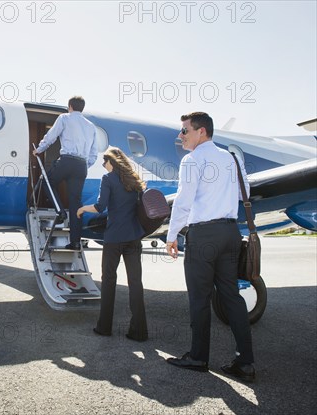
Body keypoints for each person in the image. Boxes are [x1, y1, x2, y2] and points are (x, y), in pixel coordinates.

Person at [165, 112, 255, 382]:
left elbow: (183, 201)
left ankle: (198, 357)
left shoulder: (192, 160)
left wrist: (171, 236)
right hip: (230, 232)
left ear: (201, 132)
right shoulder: (231, 158)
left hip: (203, 235)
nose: (180, 136)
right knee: (231, 297)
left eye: (184, 131)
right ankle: (246, 363)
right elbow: (245, 194)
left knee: (200, 298)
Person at [77, 147, 148, 341]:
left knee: (108, 282)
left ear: (111, 162)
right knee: (135, 283)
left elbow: (100, 206)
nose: (103, 166)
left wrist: (82, 208)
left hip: (114, 238)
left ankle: (104, 327)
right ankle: (139, 331)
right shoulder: (134, 181)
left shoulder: (108, 179)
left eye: (104, 162)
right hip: (134, 237)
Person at [33, 96, 97, 250]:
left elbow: (51, 136)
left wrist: (39, 150)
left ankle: (59, 211)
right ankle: (75, 242)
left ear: (70, 106)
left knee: (46, 182)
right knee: (76, 203)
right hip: (82, 165)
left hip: (67, 160)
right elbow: (93, 154)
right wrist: (84, 165)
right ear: (82, 107)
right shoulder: (91, 126)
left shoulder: (64, 118)